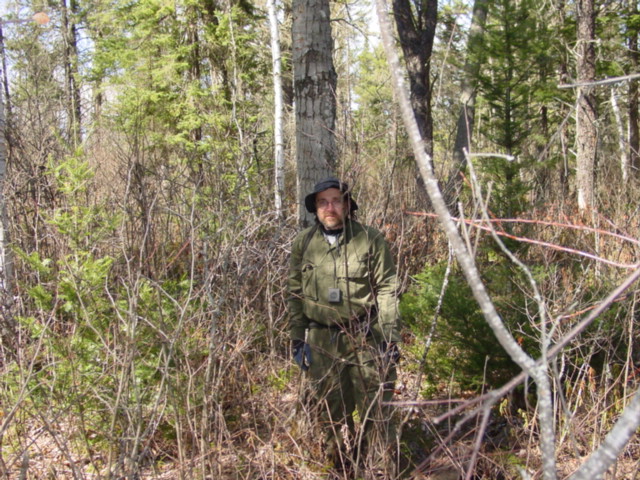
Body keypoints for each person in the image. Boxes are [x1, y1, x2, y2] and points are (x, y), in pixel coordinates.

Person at [287, 177, 402, 477]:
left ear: (348, 205)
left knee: (376, 411)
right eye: (323, 202)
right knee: (329, 411)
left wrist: (389, 339)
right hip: (322, 340)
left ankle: (375, 468)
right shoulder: (304, 243)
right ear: (315, 208)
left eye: (336, 200)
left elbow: (388, 288)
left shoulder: (370, 238)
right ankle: (339, 468)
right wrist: (298, 339)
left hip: (365, 336)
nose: (330, 207)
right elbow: (294, 292)